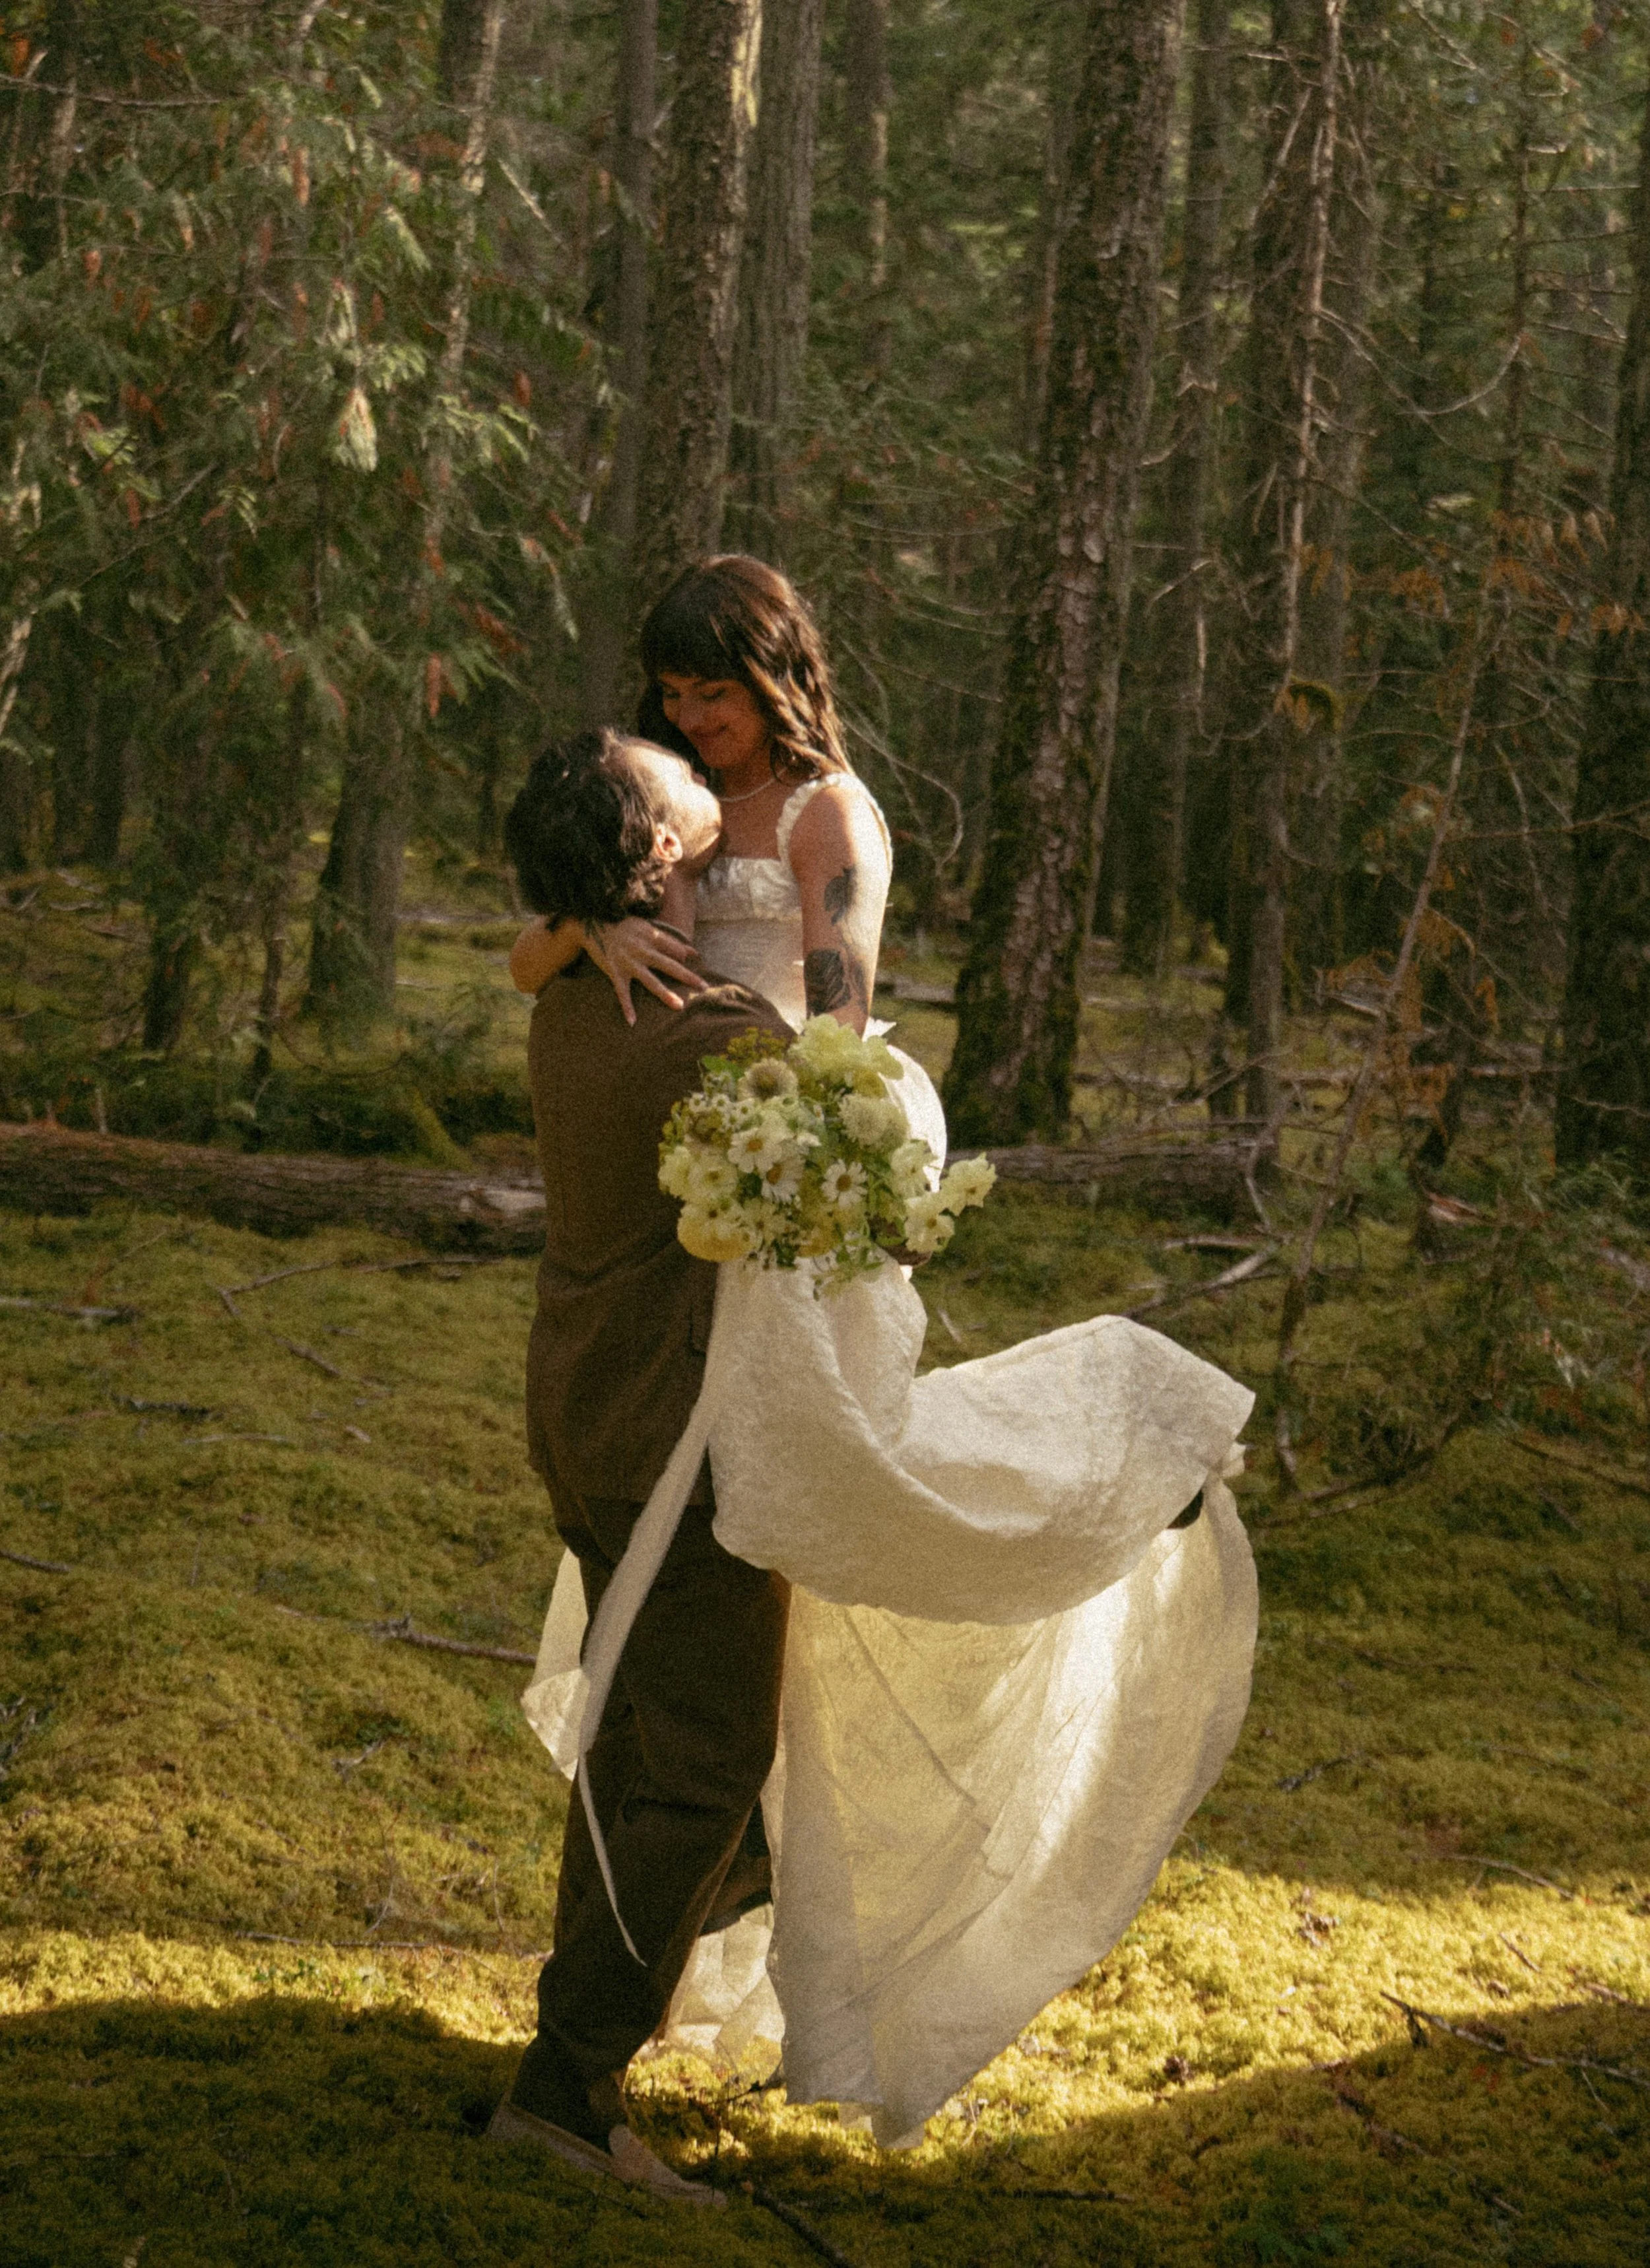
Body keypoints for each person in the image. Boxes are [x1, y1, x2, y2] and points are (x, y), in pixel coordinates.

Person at [488, 727, 795, 2207]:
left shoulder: (575, 987)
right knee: (704, 1756)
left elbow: (530, 950)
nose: (703, 781)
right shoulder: (704, 1030)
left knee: (644, 1734)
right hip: (673, 1434)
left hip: (589, 1403)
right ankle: (570, 2081)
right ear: (660, 856)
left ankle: (602, 2009)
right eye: (675, 781)